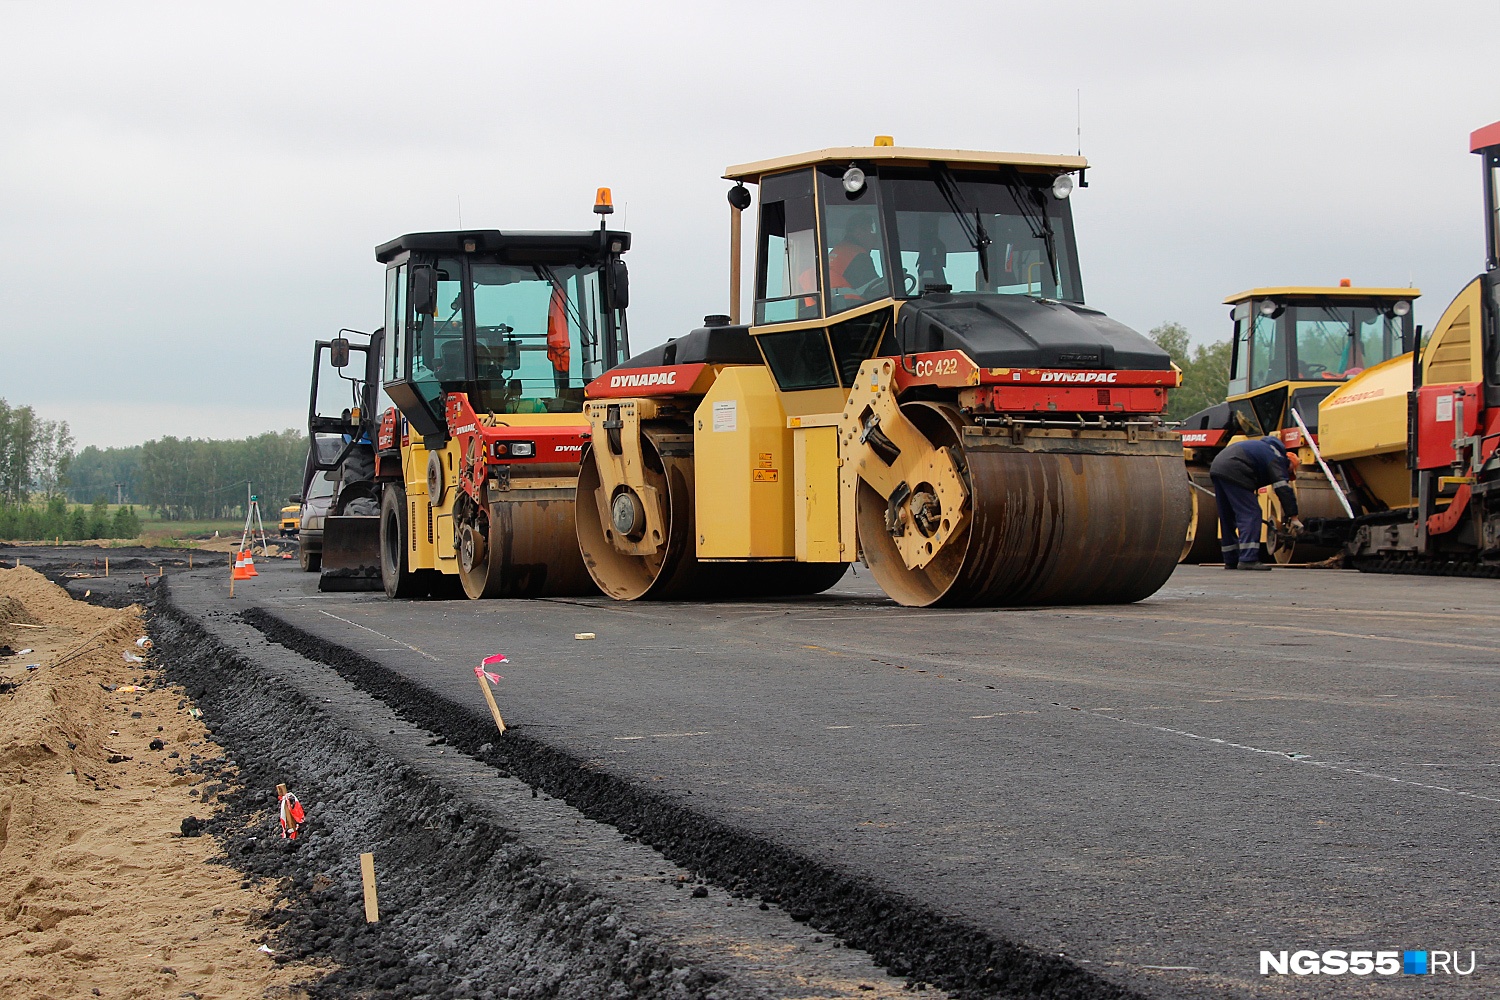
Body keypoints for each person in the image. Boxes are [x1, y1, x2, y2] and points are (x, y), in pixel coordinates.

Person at [1209, 436, 1304, 570]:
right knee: (1251, 514)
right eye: (1289, 473)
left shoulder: (1261, 450)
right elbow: (1283, 489)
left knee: (1227, 516)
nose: (1287, 476)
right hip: (1236, 468)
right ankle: (1248, 559)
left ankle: (1231, 559)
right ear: (1289, 463)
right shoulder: (1277, 458)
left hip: (1218, 467)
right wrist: (1293, 517)